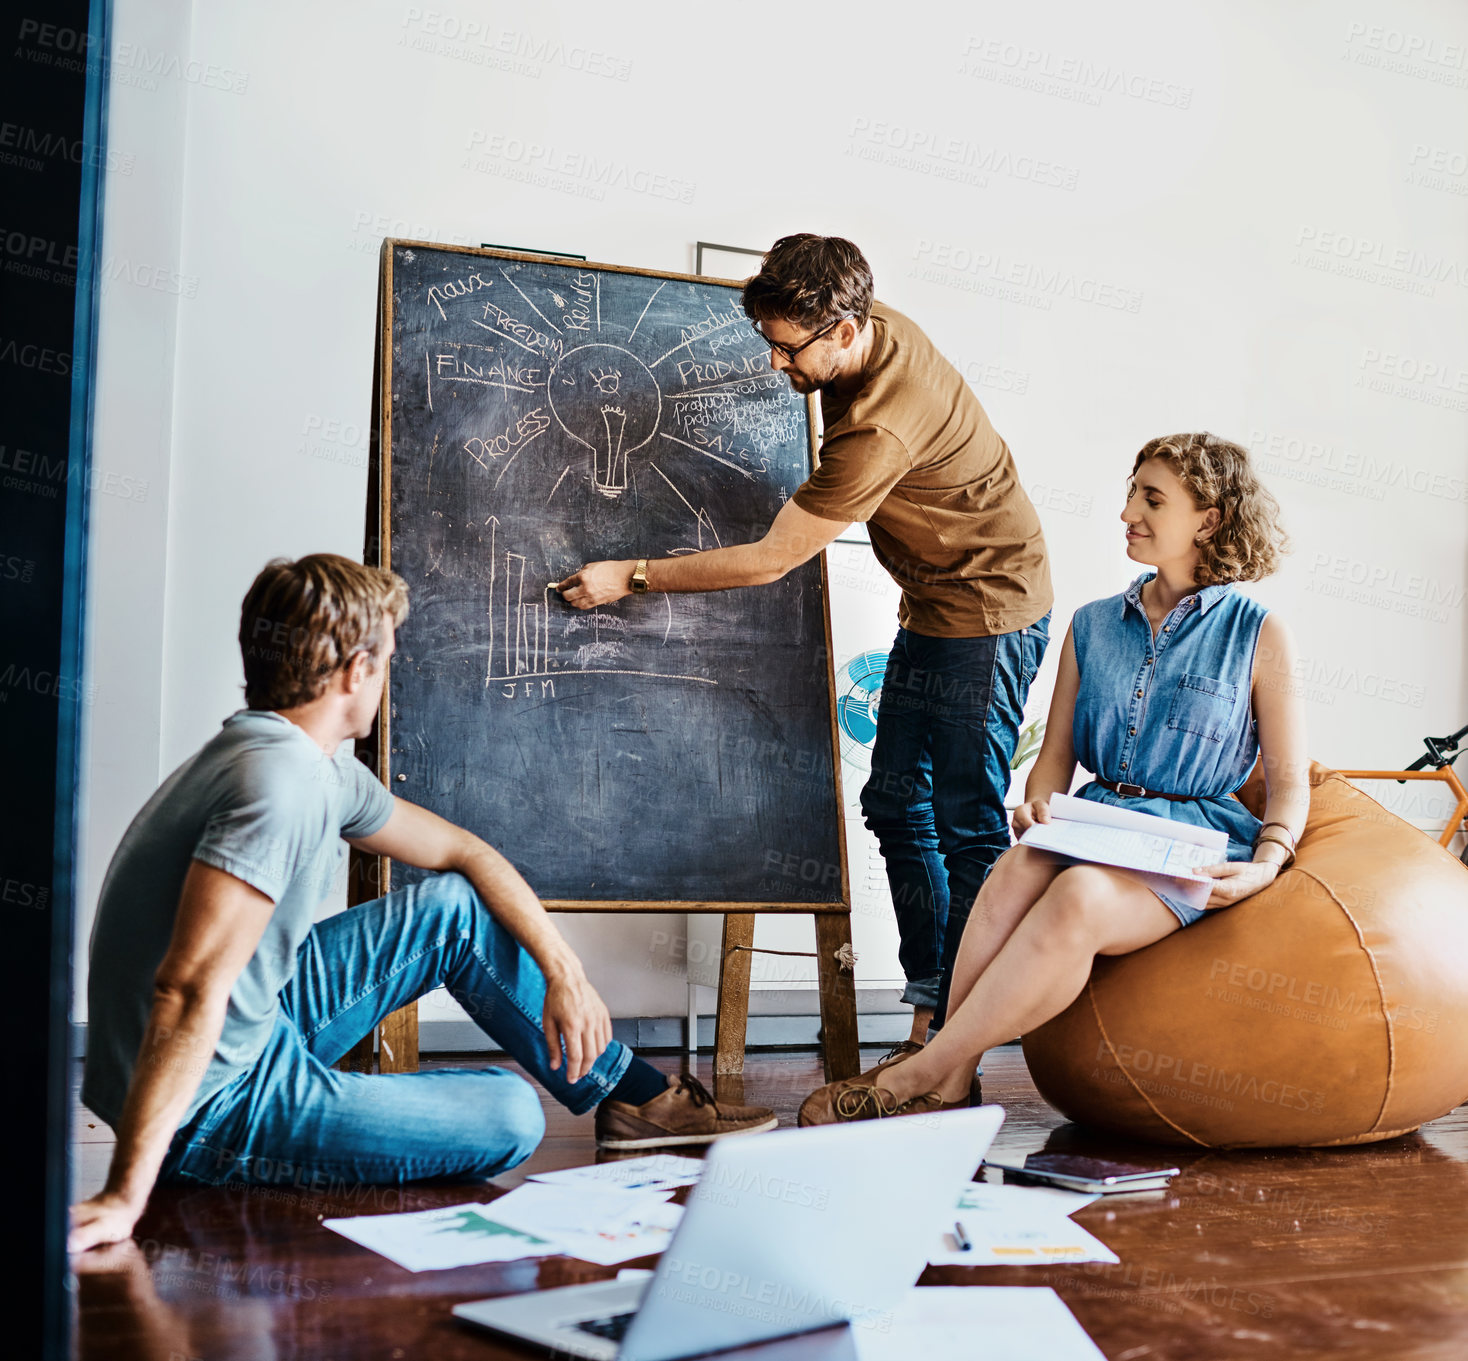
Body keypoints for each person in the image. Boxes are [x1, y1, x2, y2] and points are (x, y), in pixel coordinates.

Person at [69, 553, 774, 1254]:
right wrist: (125, 1193)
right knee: (510, 1114)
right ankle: (212, 1145)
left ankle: (630, 1092)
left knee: (453, 908)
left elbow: (465, 853)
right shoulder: (277, 789)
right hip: (204, 1101)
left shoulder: (299, 759)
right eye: (387, 660)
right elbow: (187, 988)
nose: (388, 676)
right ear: (355, 671)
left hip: (256, 1023)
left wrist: (566, 972)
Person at [558, 234, 1053, 1044]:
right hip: (933, 605)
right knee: (897, 801)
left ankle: (952, 1031)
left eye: (790, 351)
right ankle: (936, 995)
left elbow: (767, 561)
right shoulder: (860, 326)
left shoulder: (879, 429)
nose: (780, 369)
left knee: (967, 825)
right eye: (771, 344)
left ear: (846, 330)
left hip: (992, 612)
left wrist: (633, 575)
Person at [796, 432, 1310, 1124]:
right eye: (1132, 491)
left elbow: (1288, 779)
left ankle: (922, 1068)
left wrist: (1268, 864)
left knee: (1076, 897)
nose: (1128, 510)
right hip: (1098, 822)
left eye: (1152, 498)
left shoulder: (1258, 632)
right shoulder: (1094, 624)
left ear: (1209, 520)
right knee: (1011, 870)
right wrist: (1038, 807)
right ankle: (954, 1081)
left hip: (1189, 841)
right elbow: (1054, 764)